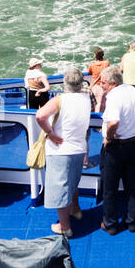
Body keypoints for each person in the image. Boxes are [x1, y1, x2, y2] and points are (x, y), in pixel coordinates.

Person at [36, 66, 91, 237]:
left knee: (60, 189)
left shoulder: (60, 99)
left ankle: (65, 227)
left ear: (65, 82)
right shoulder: (86, 98)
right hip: (79, 149)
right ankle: (75, 209)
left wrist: (50, 134)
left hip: (60, 150)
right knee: (73, 182)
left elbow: (40, 116)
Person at [99, 66, 135, 234]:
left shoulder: (114, 96)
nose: (101, 86)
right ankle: (132, 221)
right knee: (133, 185)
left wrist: (109, 137)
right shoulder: (134, 92)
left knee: (109, 186)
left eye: (103, 83)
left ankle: (110, 224)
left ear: (113, 83)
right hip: (134, 144)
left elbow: (113, 122)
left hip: (116, 146)